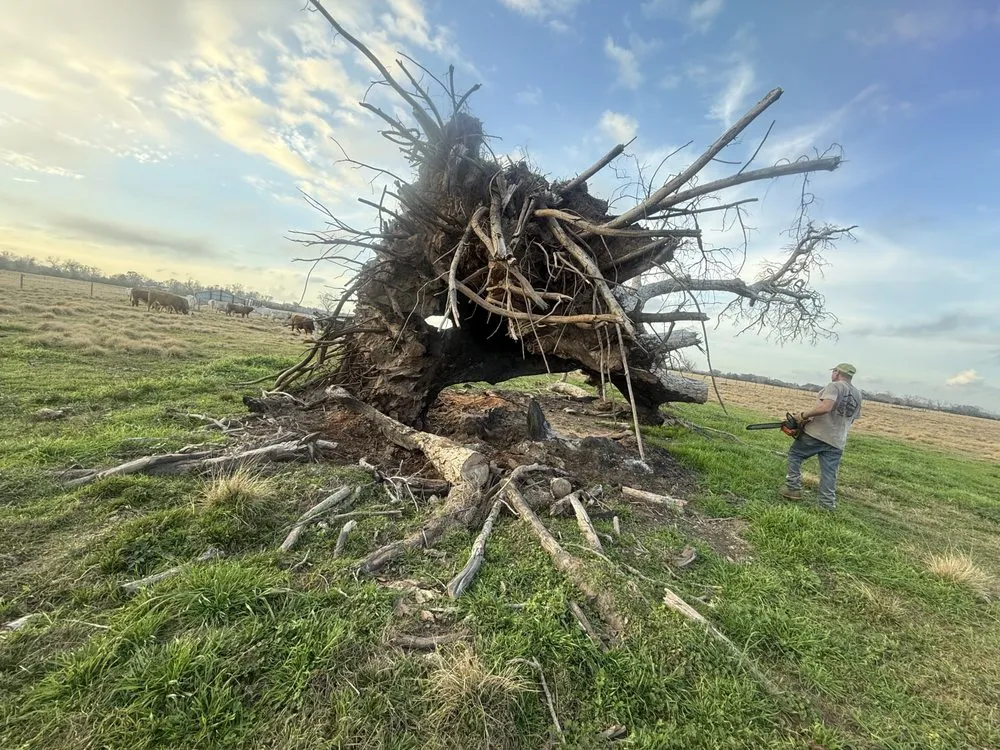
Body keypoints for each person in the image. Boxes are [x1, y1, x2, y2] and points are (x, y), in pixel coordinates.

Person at [780, 363, 863, 510]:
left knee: (795, 455)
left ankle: (793, 489)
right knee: (829, 473)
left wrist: (802, 416)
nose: (833, 375)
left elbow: (825, 407)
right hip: (837, 440)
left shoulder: (835, 386)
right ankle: (827, 505)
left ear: (837, 373)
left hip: (817, 434)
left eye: (834, 372)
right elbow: (851, 419)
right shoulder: (858, 394)